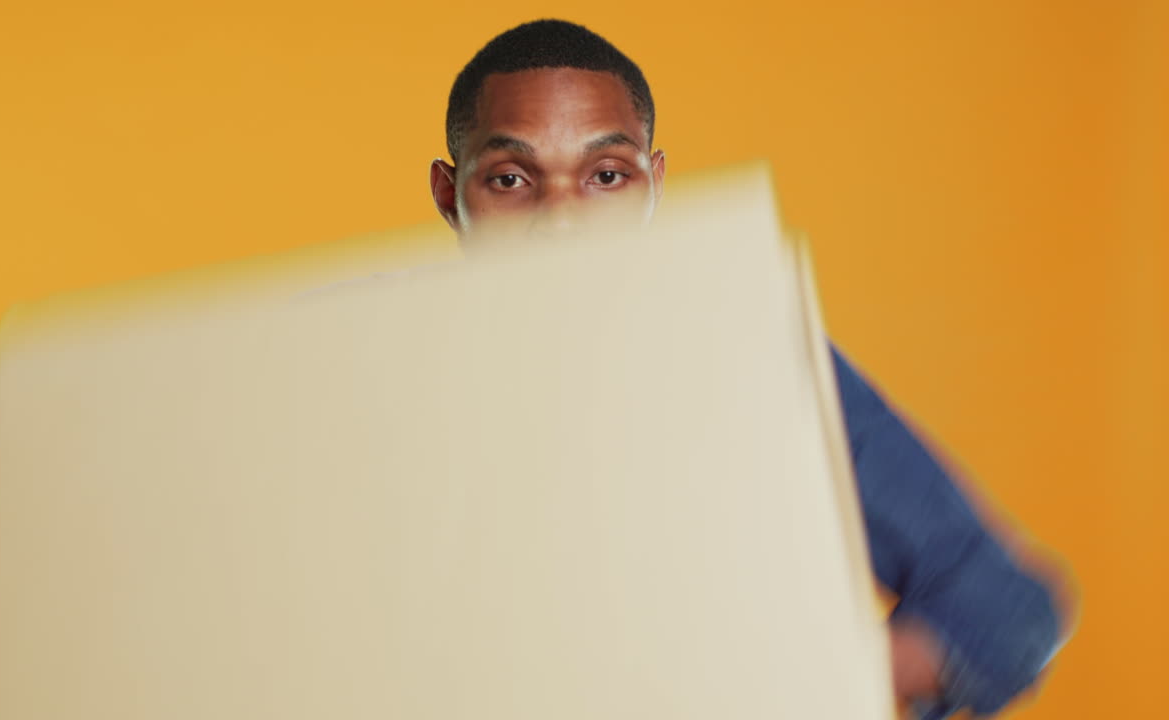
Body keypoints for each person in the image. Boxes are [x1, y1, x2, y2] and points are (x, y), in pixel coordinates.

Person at [427, 19, 1071, 720]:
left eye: (606, 176)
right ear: (449, 194)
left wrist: (823, 675)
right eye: (511, 179)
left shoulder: (751, 359)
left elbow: (1007, 608)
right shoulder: (353, 396)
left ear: (654, 186)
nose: (561, 220)